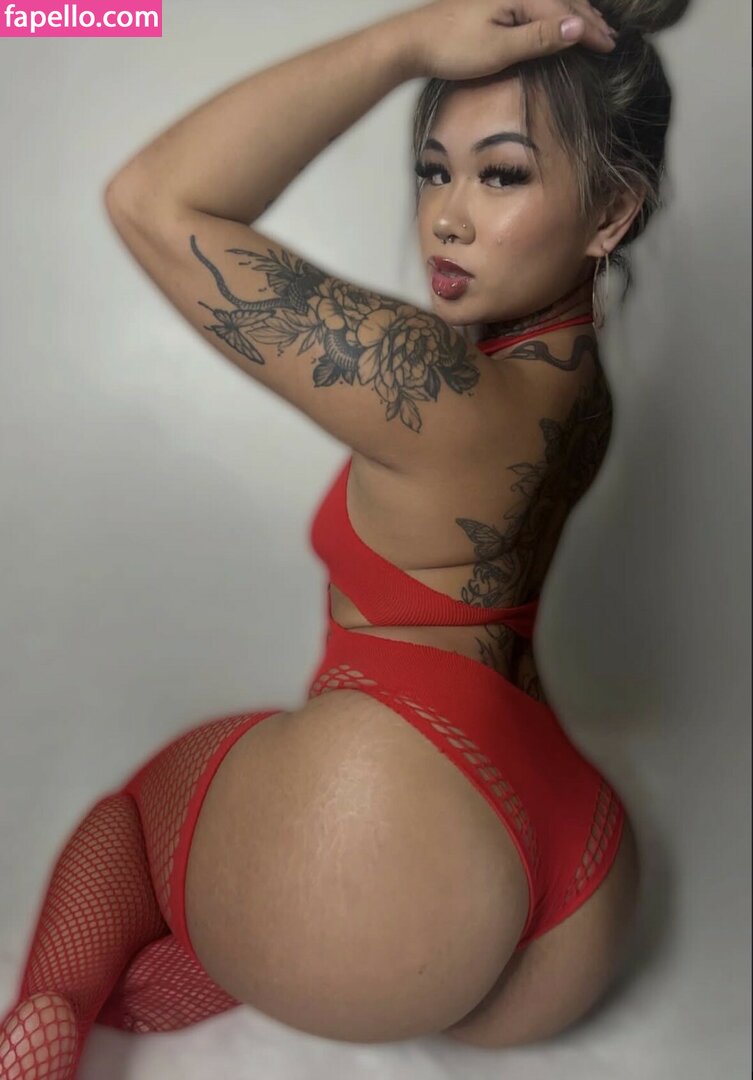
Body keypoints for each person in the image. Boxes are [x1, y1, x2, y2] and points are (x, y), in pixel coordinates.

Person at [0, 0, 689, 1075]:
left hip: (382, 866)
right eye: (432, 170)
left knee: (131, 821)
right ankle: (247, 946)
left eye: (501, 175)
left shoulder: (440, 385)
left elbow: (153, 197)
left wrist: (402, 43)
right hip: (577, 887)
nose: (446, 219)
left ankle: (51, 1017)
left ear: (611, 213)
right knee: (254, 833)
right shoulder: (575, 381)